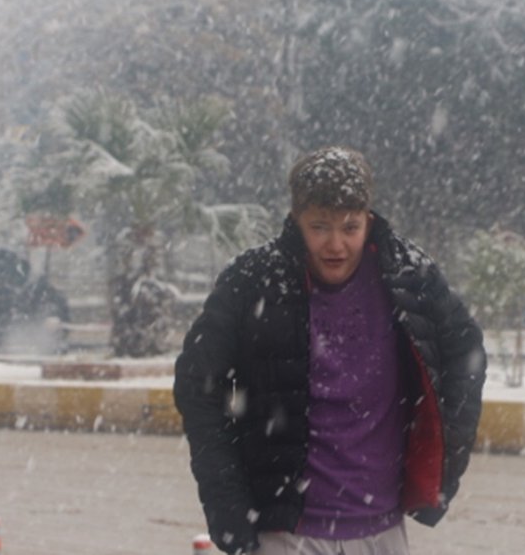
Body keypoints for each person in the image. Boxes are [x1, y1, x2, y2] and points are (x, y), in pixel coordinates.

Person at [174, 146, 487, 555]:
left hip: (384, 531)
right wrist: (227, 506)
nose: (336, 244)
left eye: (350, 227)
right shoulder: (252, 281)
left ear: (368, 221)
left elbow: (466, 351)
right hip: (285, 536)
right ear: (296, 220)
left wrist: (445, 466)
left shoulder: (409, 276)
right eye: (319, 226)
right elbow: (198, 385)